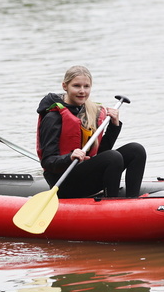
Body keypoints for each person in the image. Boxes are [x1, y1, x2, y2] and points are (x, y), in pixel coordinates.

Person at [36, 65, 147, 198]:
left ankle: (133, 200)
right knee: (113, 157)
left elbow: (102, 153)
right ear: (65, 86)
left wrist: (114, 126)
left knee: (136, 150)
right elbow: (47, 162)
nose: (82, 91)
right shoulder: (53, 117)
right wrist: (69, 157)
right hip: (63, 182)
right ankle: (111, 204)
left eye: (86, 86)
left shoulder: (90, 111)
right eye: (76, 86)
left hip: (85, 175)